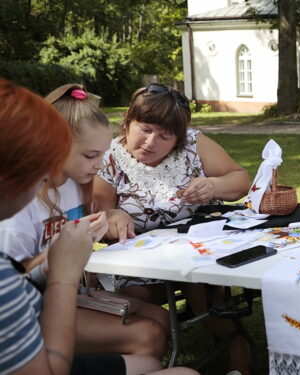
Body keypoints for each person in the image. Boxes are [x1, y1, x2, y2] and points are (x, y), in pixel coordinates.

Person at [0, 79, 196, 375]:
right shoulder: (17, 212)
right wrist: (60, 259)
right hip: (41, 303)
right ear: (54, 148)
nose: (101, 164)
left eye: (103, 154)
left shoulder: (77, 185)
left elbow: (84, 234)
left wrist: (112, 216)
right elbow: (23, 277)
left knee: (160, 317)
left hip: (66, 292)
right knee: (150, 334)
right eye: (91, 156)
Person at [93, 83, 252, 375]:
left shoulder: (194, 144)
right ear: (128, 122)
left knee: (200, 293)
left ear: (178, 139)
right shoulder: (110, 156)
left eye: (165, 136)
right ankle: (146, 360)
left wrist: (213, 186)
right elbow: (101, 217)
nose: (151, 142)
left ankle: (237, 347)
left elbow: (241, 180)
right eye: (144, 129)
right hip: (141, 259)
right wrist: (113, 217)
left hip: (196, 249)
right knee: (134, 301)